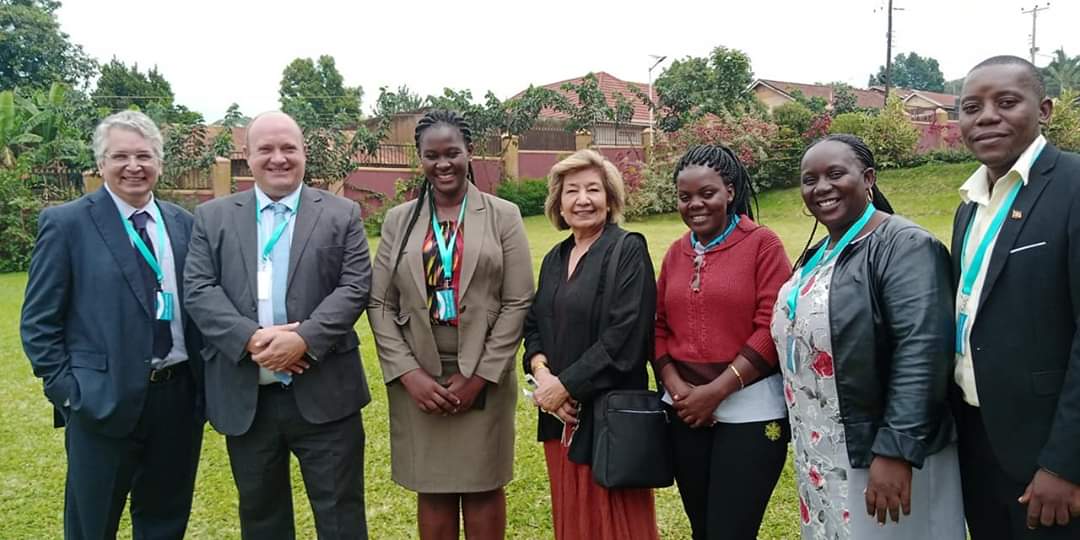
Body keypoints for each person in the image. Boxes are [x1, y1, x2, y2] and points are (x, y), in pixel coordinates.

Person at [183, 111, 372, 539]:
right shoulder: (212, 218)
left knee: (341, 518)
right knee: (262, 519)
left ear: (304, 153)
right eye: (265, 149)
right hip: (247, 398)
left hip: (327, 393)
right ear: (247, 156)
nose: (278, 158)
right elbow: (198, 288)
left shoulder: (341, 213)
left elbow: (355, 286)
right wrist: (250, 339)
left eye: (289, 148)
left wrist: (303, 340)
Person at [20, 110, 204, 539]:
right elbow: (39, 322)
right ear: (101, 163)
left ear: (159, 163)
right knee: (92, 525)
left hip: (177, 400)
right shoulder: (67, 224)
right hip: (100, 402)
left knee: (165, 520)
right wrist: (68, 393)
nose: (133, 166)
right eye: (120, 156)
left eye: (144, 156)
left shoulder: (183, 224)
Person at [771, 134, 965, 539]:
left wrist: (896, 449)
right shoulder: (818, 253)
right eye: (809, 179)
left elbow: (923, 351)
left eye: (835, 174)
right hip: (821, 448)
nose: (821, 187)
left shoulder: (905, 245)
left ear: (869, 178)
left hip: (880, 451)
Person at [368, 110, 534, 540]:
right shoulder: (399, 220)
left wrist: (479, 377)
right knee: (433, 488)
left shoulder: (503, 215)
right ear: (420, 159)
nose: (443, 164)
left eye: (452, 153)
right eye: (432, 155)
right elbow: (380, 303)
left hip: (484, 373)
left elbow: (518, 300)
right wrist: (409, 374)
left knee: (483, 485)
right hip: (420, 375)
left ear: (469, 152)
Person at [950, 55, 1080, 538]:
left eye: (1006, 102)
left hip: (1045, 451)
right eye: (971, 108)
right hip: (977, 438)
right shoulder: (970, 205)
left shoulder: (1073, 186)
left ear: (1043, 110)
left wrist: (1065, 463)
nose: (986, 117)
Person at [653, 144, 792, 540]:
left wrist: (715, 392)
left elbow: (771, 327)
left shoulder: (762, 244)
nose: (695, 204)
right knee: (702, 529)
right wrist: (678, 390)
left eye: (707, 193)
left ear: (729, 191)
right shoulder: (676, 253)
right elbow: (658, 327)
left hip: (750, 411)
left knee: (731, 531)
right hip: (685, 412)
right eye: (685, 197)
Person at [522, 149, 659, 539]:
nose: (583, 199)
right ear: (559, 204)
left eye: (593, 189)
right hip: (559, 418)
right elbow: (534, 325)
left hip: (610, 420)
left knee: (615, 526)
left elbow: (626, 336)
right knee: (572, 520)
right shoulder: (554, 258)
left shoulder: (628, 249)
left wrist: (565, 387)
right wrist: (542, 375)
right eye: (572, 191)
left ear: (610, 199)